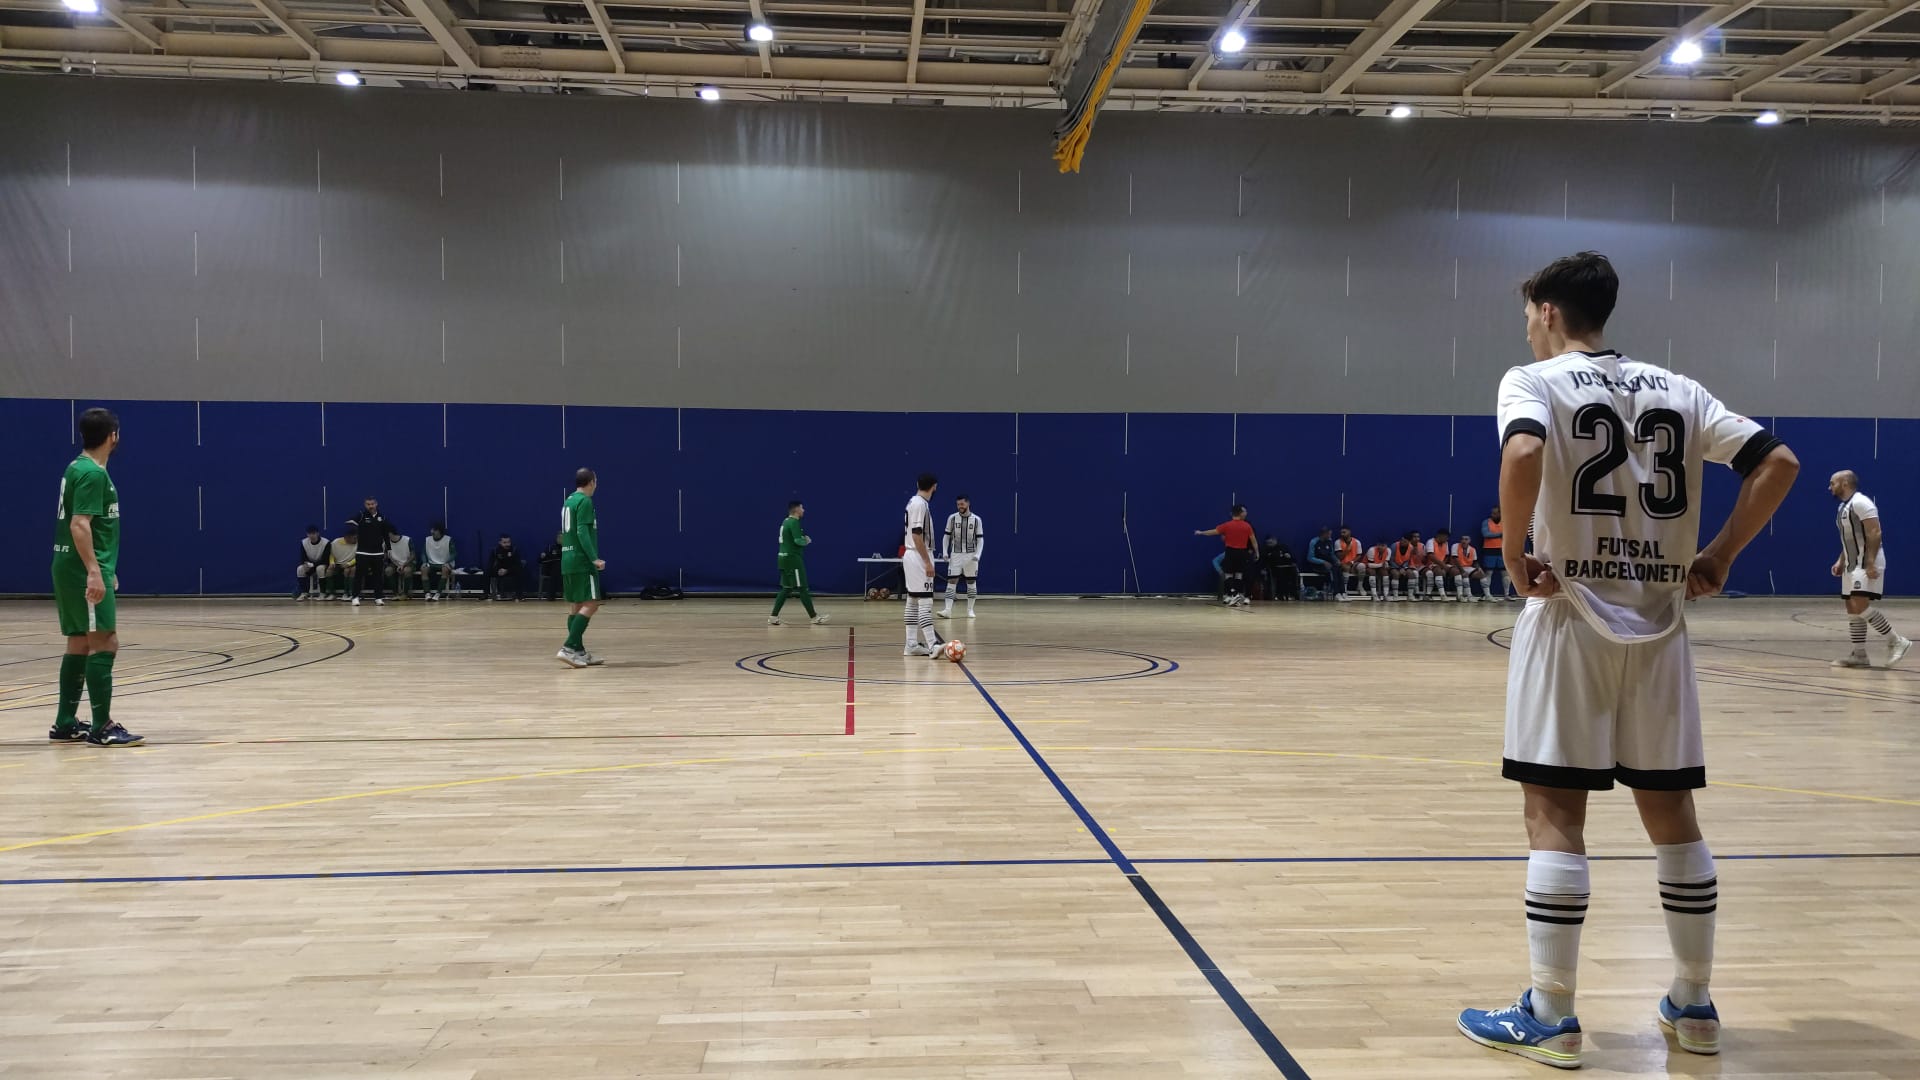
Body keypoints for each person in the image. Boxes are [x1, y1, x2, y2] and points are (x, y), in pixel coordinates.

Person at [1456, 252, 1800, 1070]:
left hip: (1570, 618)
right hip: (1660, 626)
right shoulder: (1680, 390)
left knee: (1555, 817)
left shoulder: (1532, 383)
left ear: (1544, 311)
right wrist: (1716, 555)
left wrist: (1512, 553)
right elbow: (1778, 464)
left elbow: (1522, 456)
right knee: (1674, 818)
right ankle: (1693, 1002)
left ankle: (1553, 1014)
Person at [49, 407, 142, 746]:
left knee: (80, 641)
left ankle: (65, 722)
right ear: (113, 436)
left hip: (70, 566)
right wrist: (94, 570)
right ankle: (102, 726)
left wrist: (105, 568)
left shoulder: (76, 467)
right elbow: (80, 524)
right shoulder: (93, 474)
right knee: (105, 641)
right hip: (81, 569)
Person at [1828, 470, 1910, 668]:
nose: (1829, 487)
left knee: (1859, 604)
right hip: (1851, 563)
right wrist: (1841, 560)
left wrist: (1871, 562)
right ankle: (1859, 655)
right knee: (1851, 607)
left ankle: (1896, 641)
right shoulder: (1843, 507)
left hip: (1866, 562)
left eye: (1833, 483)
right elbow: (1850, 539)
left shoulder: (1862, 503)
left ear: (1845, 482)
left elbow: (1875, 532)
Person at [556, 468, 605, 666]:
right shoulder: (585, 501)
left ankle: (578, 650)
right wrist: (594, 558)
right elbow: (582, 532)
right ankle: (568, 647)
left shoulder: (569, 501)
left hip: (567, 559)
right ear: (591, 482)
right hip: (581, 560)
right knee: (592, 603)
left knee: (576, 605)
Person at [770, 500, 829, 626]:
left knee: (786, 588)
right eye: (802, 508)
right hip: (793, 560)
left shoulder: (785, 521)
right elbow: (798, 541)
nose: (804, 510)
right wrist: (806, 540)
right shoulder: (794, 522)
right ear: (796, 510)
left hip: (782, 558)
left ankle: (773, 616)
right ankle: (814, 617)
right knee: (803, 588)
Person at [903, 474, 942, 656]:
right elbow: (917, 535)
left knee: (912, 600)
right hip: (918, 555)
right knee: (925, 601)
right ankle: (933, 645)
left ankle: (911, 644)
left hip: (910, 554)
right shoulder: (920, 504)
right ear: (934, 487)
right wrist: (927, 562)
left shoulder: (913, 501)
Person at [1196, 505, 1257, 607]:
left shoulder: (1227, 525)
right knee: (1238, 574)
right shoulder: (1247, 526)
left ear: (1232, 514)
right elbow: (1253, 540)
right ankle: (1236, 595)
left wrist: (1201, 532)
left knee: (1228, 574)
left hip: (1230, 552)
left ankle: (1233, 594)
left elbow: (1213, 532)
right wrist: (1257, 551)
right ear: (1240, 513)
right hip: (1242, 552)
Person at [939, 496, 986, 619]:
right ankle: (947, 610)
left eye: (962, 504)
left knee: (971, 582)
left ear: (968, 504)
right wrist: (945, 551)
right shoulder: (952, 518)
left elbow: (980, 539)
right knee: (951, 581)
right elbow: (946, 536)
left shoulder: (976, 520)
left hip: (971, 555)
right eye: (958, 504)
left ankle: (970, 610)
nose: (960, 506)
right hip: (956, 555)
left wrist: (978, 554)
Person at [348, 496, 390, 607]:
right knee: (359, 575)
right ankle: (355, 597)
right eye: (368, 504)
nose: (370, 506)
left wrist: (389, 549)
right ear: (365, 505)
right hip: (363, 552)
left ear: (376, 504)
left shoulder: (383, 517)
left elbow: (386, 534)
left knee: (378, 576)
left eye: (372, 504)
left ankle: (378, 597)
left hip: (378, 552)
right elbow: (351, 521)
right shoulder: (361, 515)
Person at [1483, 505, 1514, 600]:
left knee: (1505, 573)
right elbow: (1485, 534)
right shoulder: (1486, 522)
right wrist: (1500, 534)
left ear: (1500, 513)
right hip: (1489, 550)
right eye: (1492, 513)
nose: (1493, 515)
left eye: (1495, 513)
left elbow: (1510, 535)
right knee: (1488, 572)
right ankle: (1487, 595)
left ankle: (1507, 595)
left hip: (1503, 550)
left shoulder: (1506, 522)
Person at [422, 522, 457, 600]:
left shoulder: (448, 539)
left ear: (439, 531)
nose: (432, 531)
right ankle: (427, 593)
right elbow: (423, 553)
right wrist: (424, 562)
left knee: (445, 570)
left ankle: (438, 593)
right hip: (432, 563)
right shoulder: (427, 539)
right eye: (432, 530)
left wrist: (447, 562)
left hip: (445, 563)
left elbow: (454, 553)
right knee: (424, 569)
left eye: (434, 530)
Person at [1304, 526, 1340, 600]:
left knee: (1338, 568)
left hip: (1328, 563)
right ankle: (1335, 593)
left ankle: (1342, 592)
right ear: (1324, 534)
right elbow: (1310, 558)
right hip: (1317, 565)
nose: (1330, 536)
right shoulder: (1314, 542)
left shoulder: (1329, 541)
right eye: (1329, 534)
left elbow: (1331, 554)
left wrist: (1336, 560)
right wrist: (1323, 562)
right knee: (1332, 570)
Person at [295, 525, 329, 601]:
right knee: (300, 569)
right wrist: (305, 563)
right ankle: (304, 593)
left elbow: (325, 559)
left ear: (318, 533)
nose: (311, 535)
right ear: (307, 534)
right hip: (310, 564)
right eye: (309, 534)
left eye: (313, 533)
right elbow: (303, 556)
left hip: (321, 564)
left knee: (320, 569)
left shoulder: (326, 542)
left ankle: (323, 593)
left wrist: (313, 565)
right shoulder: (304, 542)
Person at [1450, 532, 1488, 602]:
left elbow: (1475, 562)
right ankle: (1466, 595)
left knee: (1482, 574)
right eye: (1462, 539)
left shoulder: (1472, 549)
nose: (1464, 541)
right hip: (1456, 566)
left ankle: (1488, 595)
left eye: (1466, 539)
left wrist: (1479, 568)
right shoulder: (1455, 546)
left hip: (1467, 567)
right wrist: (1462, 571)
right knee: (1464, 574)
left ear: (1469, 541)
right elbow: (1455, 559)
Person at [1425, 528, 1460, 601]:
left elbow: (1447, 555)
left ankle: (1460, 595)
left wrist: (1443, 565)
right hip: (1430, 564)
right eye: (1446, 537)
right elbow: (1431, 556)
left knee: (1456, 571)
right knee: (1438, 571)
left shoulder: (1445, 543)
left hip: (1442, 563)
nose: (1447, 539)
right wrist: (1443, 566)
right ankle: (1443, 595)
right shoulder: (1430, 542)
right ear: (1439, 535)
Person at [488, 534, 525, 601]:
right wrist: (497, 571)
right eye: (504, 542)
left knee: (520, 570)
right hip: (499, 571)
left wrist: (507, 570)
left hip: (510, 571)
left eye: (508, 542)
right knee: (487, 571)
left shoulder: (514, 550)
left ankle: (519, 596)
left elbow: (518, 564)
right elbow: (490, 564)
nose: (507, 544)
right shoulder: (495, 551)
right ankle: (487, 594)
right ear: (500, 542)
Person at [1391, 530, 1425, 601]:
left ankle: (1410, 596)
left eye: (1405, 541)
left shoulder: (1411, 547)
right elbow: (1391, 560)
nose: (1403, 542)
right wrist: (1399, 568)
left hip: (1404, 566)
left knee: (1411, 574)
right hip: (1393, 566)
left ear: (1409, 542)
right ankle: (1395, 596)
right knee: (1396, 574)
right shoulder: (1394, 545)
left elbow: (1407, 560)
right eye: (1402, 540)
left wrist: (1404, 568)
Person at [327, 526, 358, 600]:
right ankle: (331, 593)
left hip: (350, 564)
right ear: (347, 537)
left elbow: (358, 557)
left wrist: (349, 564)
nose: (356, 539)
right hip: (338, 564)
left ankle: (348, 593)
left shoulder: (358, 543)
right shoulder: (335, 542)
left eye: (356, 537)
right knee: (329, 571)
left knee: (348, 570)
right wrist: (331, 562)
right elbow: (332, 554)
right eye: (354, 538)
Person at [385, 526, 415, 599]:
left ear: (390, 533)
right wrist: (398, 565)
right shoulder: (386, 542)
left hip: (408, 562)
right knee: (388, 570)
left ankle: (405, 594)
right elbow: (389, 556)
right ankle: (396, 593)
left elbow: (413, 555)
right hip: (395, 563)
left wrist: (404, 565)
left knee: (407, 570)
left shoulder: (407, 539)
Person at [538, 533, 564, 600]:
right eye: (558, 537)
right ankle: (551, 596)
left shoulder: (568, 548)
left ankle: (552, 595)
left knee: (558, 565)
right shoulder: (551, 547)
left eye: (562, 538)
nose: (560, 539)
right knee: (556, 565)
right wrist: (542, 556)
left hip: (564, 569)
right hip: (550, 569)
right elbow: (540, 560)